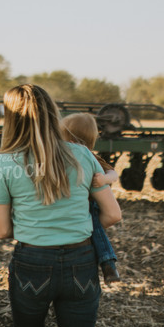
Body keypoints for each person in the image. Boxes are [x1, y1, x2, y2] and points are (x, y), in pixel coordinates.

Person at [0, 84, 121, 327]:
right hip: (81, 263)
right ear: (52, 113)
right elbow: (112, 214)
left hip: (32, 264)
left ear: (11, 118)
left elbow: (2, 231)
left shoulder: (3, 162)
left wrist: (37, 227)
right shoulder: (83, 155)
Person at [61, 113, 121, 284]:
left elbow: (113, 173)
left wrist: (104, 179)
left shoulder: (89, 156)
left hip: (88, 204)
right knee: (95, 229)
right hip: (75, 204)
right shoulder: (62, 155)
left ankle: (108, 263)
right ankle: (108, 263)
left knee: (95, 226)